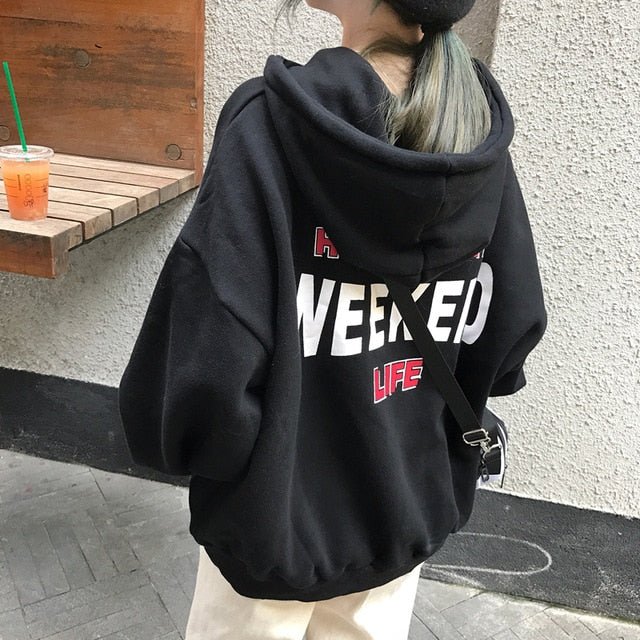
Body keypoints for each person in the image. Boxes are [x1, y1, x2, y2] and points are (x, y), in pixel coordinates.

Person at [117, 0, 548, 637]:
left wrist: (200, 448)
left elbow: (211, 346)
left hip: (272, 517)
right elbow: (511, 325)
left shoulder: (270, 124)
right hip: (405, 504)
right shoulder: (472, 132)